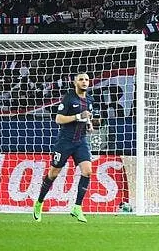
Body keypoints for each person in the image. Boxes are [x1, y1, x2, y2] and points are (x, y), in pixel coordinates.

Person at [33, 72, 97, 223]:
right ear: (75, 82)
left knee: (87, 171)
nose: (84, 82)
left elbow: (87, 116)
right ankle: (39, 202)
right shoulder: (69, 98)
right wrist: (78, 117)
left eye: (86, 80)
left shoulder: (90, 100)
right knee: (53, 174)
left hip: (81, 141)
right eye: (81, 79)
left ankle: (77, 207)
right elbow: (58, 119)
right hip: (65, 141)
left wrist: (89, 124)